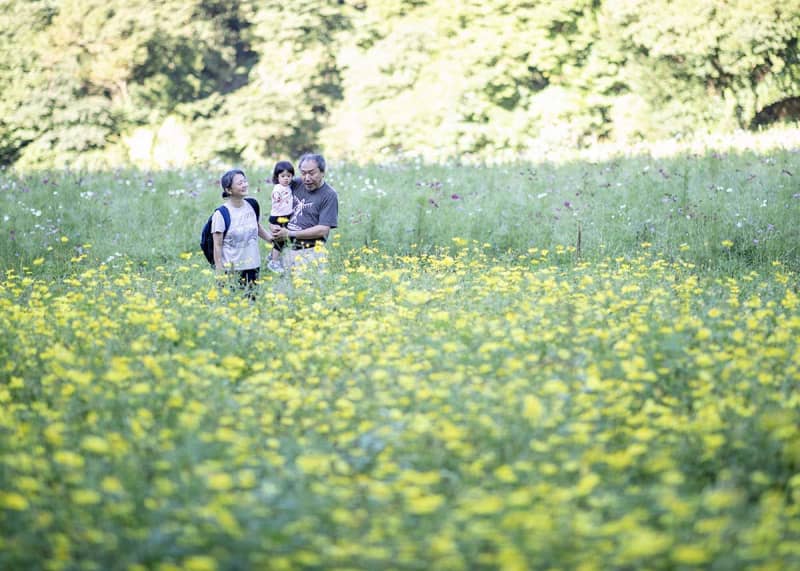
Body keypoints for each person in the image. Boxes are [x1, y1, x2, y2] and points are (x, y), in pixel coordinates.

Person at [270, 153, 339, 270]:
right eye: (303, 173)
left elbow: (323, 230)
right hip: (286, 250)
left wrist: (290, 234)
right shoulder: (294, 184)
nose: (307, 178)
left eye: (312, 173)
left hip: (311, 253)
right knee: (282, 287)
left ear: (322, 172)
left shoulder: (329, 195)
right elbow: (278, 204)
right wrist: (273, 225)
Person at [212, 168, 271, 291]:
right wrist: (219, 271)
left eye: (245, 181)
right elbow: (217, 245)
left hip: (253, 265)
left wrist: (273, 241)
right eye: (240, 183)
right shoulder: (221, 214)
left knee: (252, 303)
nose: (245, 185)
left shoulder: (252, 204)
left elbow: (257, 227)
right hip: (232, 269)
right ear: (229, 190)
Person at [267, 160, 295, 273]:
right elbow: (277, 198)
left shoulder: (288, 186)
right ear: (277, 177)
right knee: (280, 240)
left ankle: (272, 255)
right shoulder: (278, 189)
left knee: (285, 238)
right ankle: (274, 262)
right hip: (278, 217)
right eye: (283, 176)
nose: (286, 178)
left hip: (285, 216)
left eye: (289, 176)